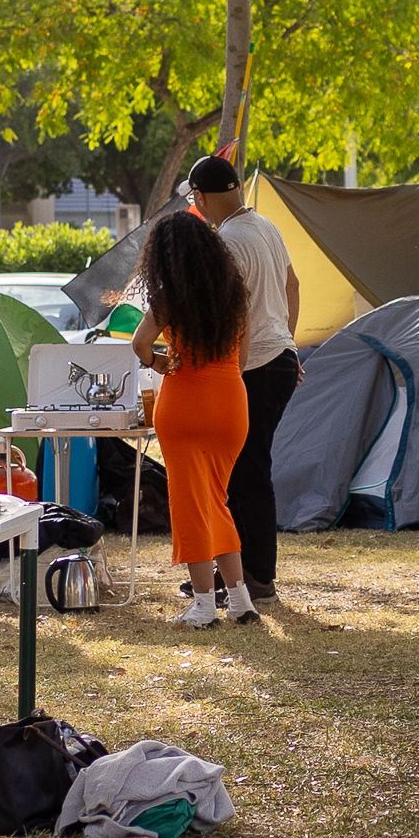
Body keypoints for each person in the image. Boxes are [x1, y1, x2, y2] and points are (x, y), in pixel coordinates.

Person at [130, 211, 258, 628]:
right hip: (231, 404)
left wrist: (160, 362)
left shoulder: (171, 296)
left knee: (190, 504)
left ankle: (203, 603)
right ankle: (239, 599)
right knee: (216, 500)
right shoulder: (234, 293)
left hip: (186, 403)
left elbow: (140, 343)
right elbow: (244, 356)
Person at [187, 156, 301, 601]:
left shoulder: (229, 241)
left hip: (253, 366)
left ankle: (254, 576)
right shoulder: (265, 226)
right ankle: (238, 571)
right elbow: (292, 285)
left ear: (200, 197)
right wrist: (287, 339)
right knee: (246, 470)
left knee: (246, 473)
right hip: (281, 356)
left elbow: (225, 314)